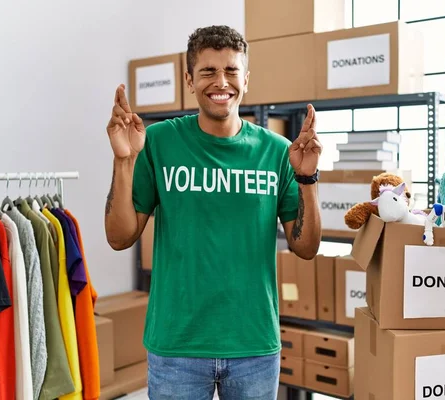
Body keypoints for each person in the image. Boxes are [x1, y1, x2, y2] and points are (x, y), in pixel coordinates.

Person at [103, 25, 323, 399]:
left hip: (253, 344)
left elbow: (306, 247)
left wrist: (308, 178)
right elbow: (119, 237)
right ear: (189, 80)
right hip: (177, 345)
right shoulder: (158, 142)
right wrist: (125, 161)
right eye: (208, 71)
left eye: (232, 71)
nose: (221, 82)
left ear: (246, 79)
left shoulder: (277, 151)